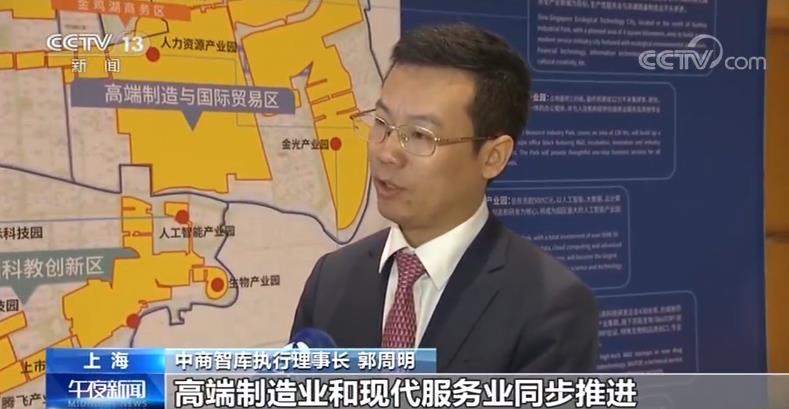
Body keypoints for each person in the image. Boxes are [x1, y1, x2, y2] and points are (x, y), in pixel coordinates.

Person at [291, 22, 598, 372]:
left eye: (420, 135)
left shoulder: (550, 308)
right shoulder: (331, 279)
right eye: (381, 123)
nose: (386, 152)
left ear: (493, 157)